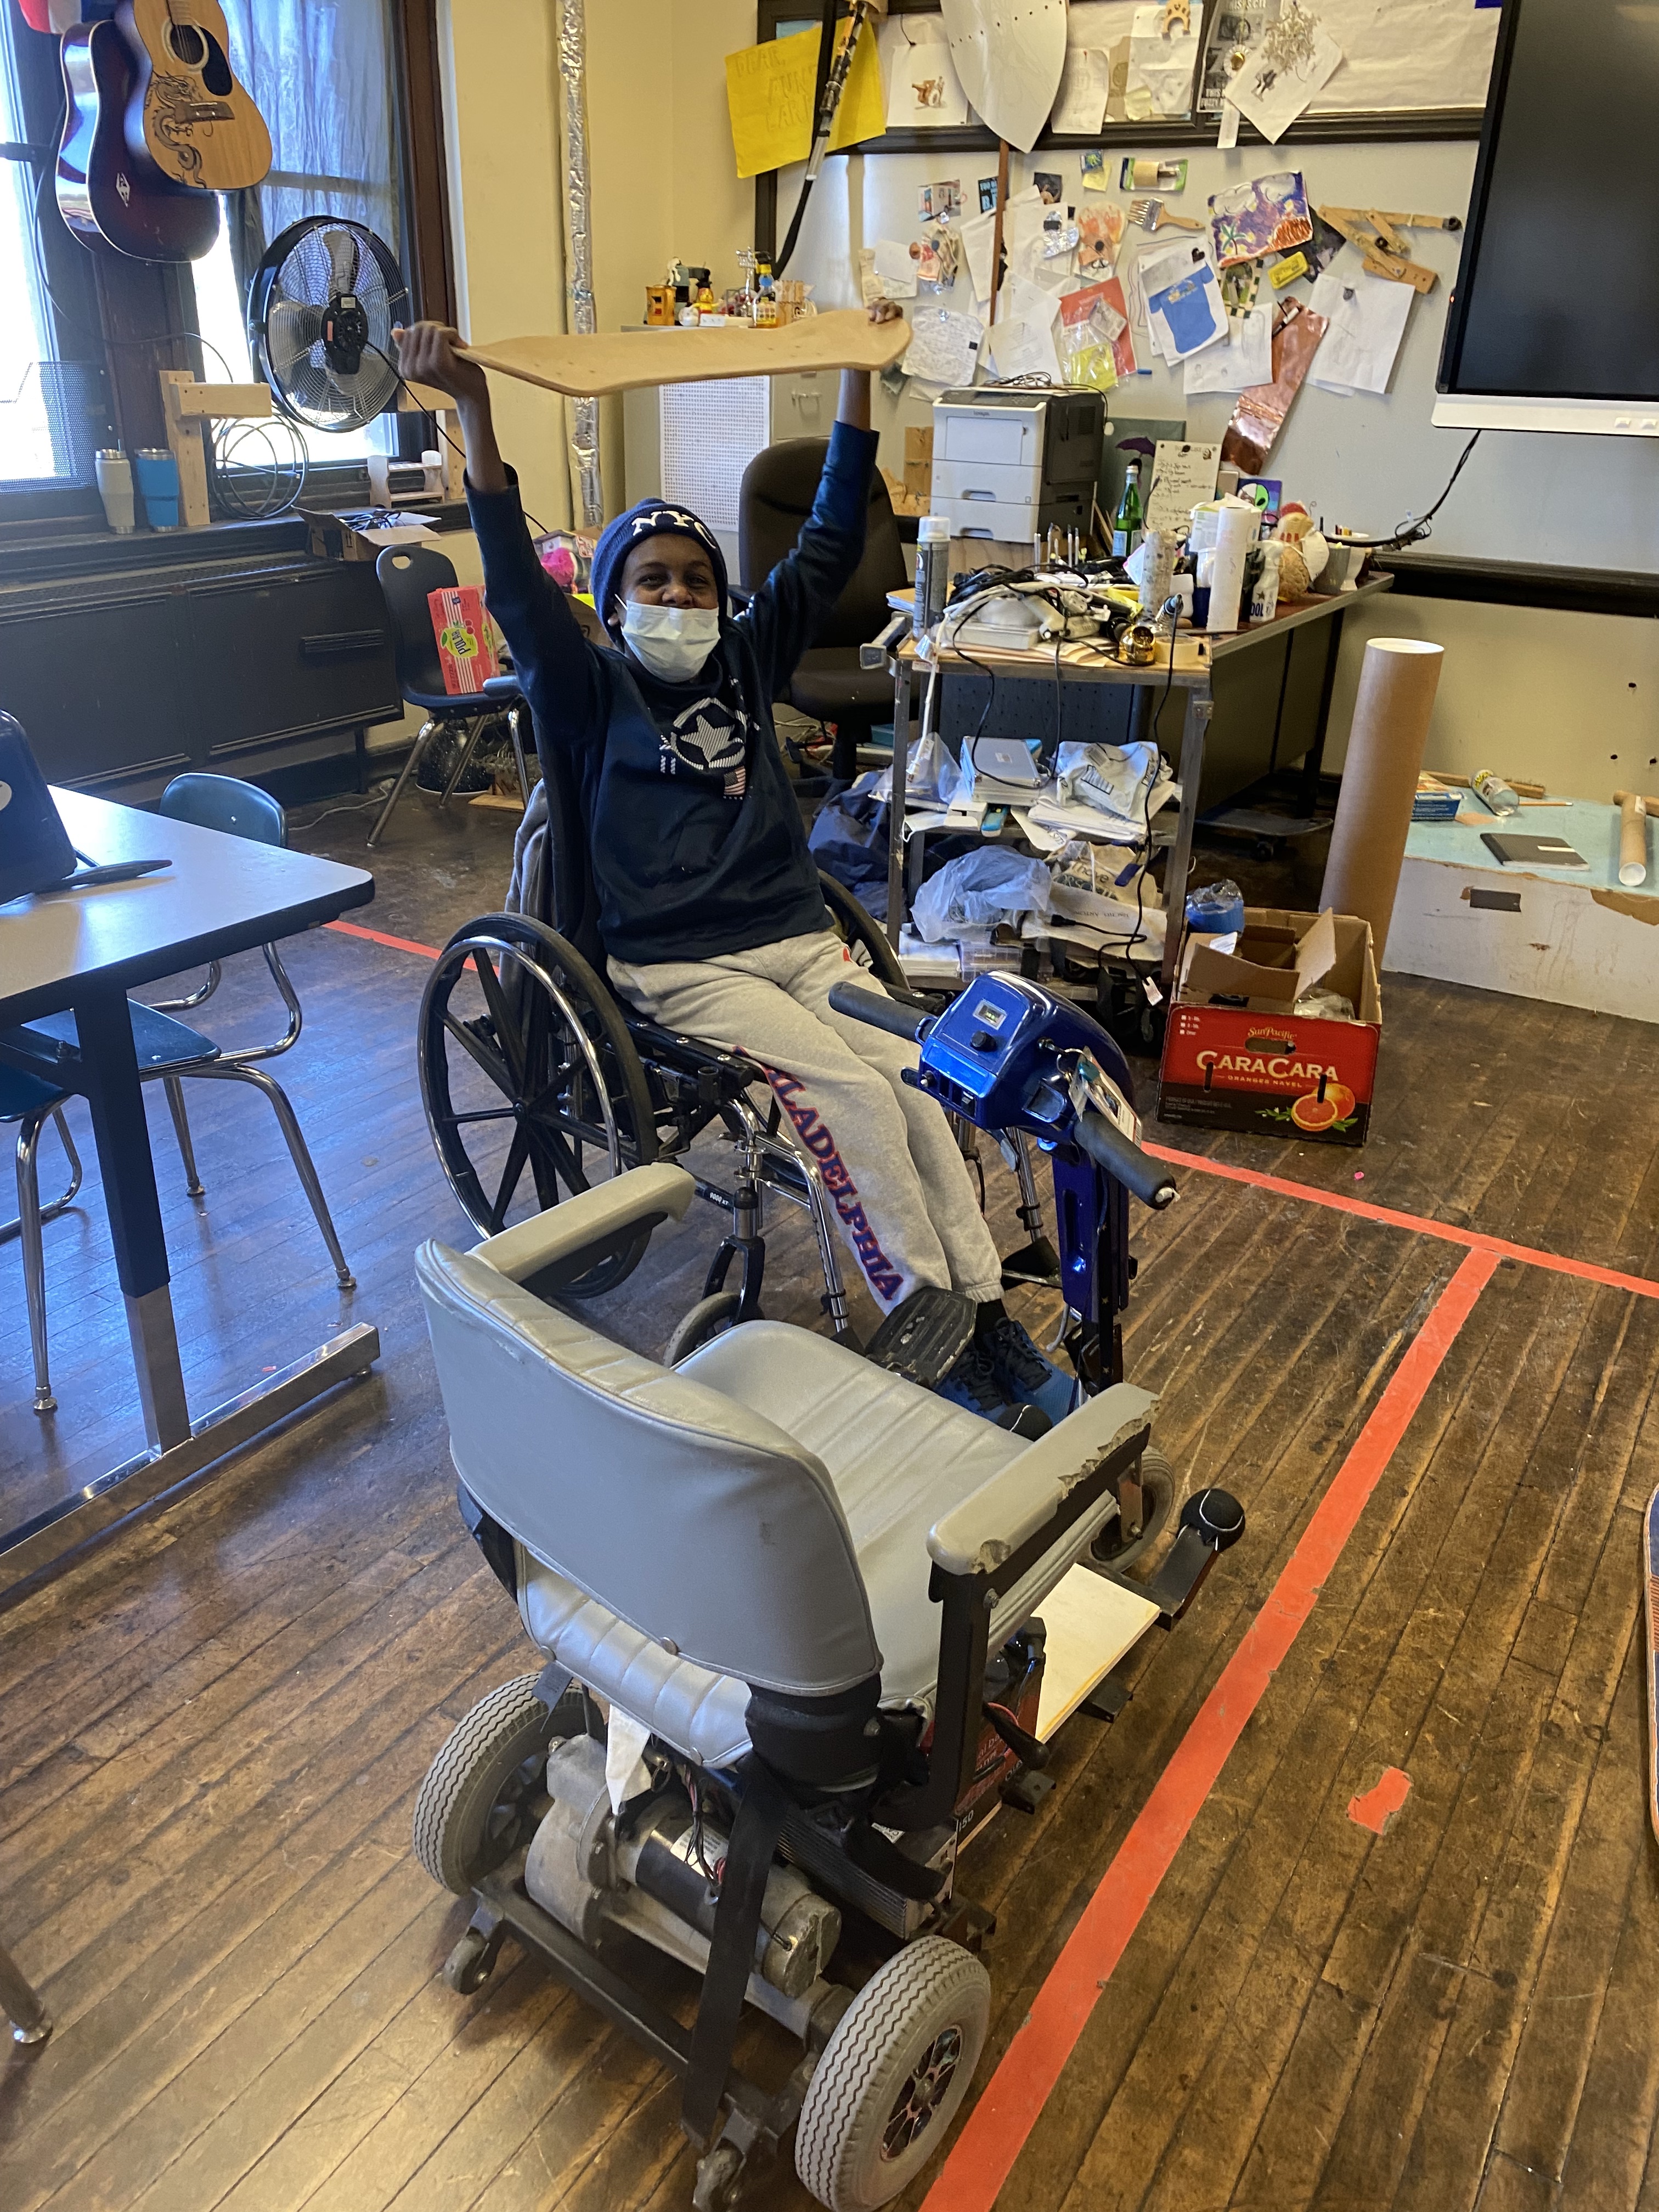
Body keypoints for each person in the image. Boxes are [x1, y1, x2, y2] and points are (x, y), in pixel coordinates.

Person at [393, 307, 1073, 1426]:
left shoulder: (748, 657)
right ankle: (929, 1329)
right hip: (684, 965)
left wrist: (859, 371)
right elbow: (513, 584)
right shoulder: (590, 687)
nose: (677, 598)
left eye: (697, 580)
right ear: (613, 602)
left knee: (919, 1085)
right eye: (652, 581)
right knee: (853, 1100)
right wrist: (472, 405)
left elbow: (830, 539)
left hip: (800, 940)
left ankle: (987, 1314)